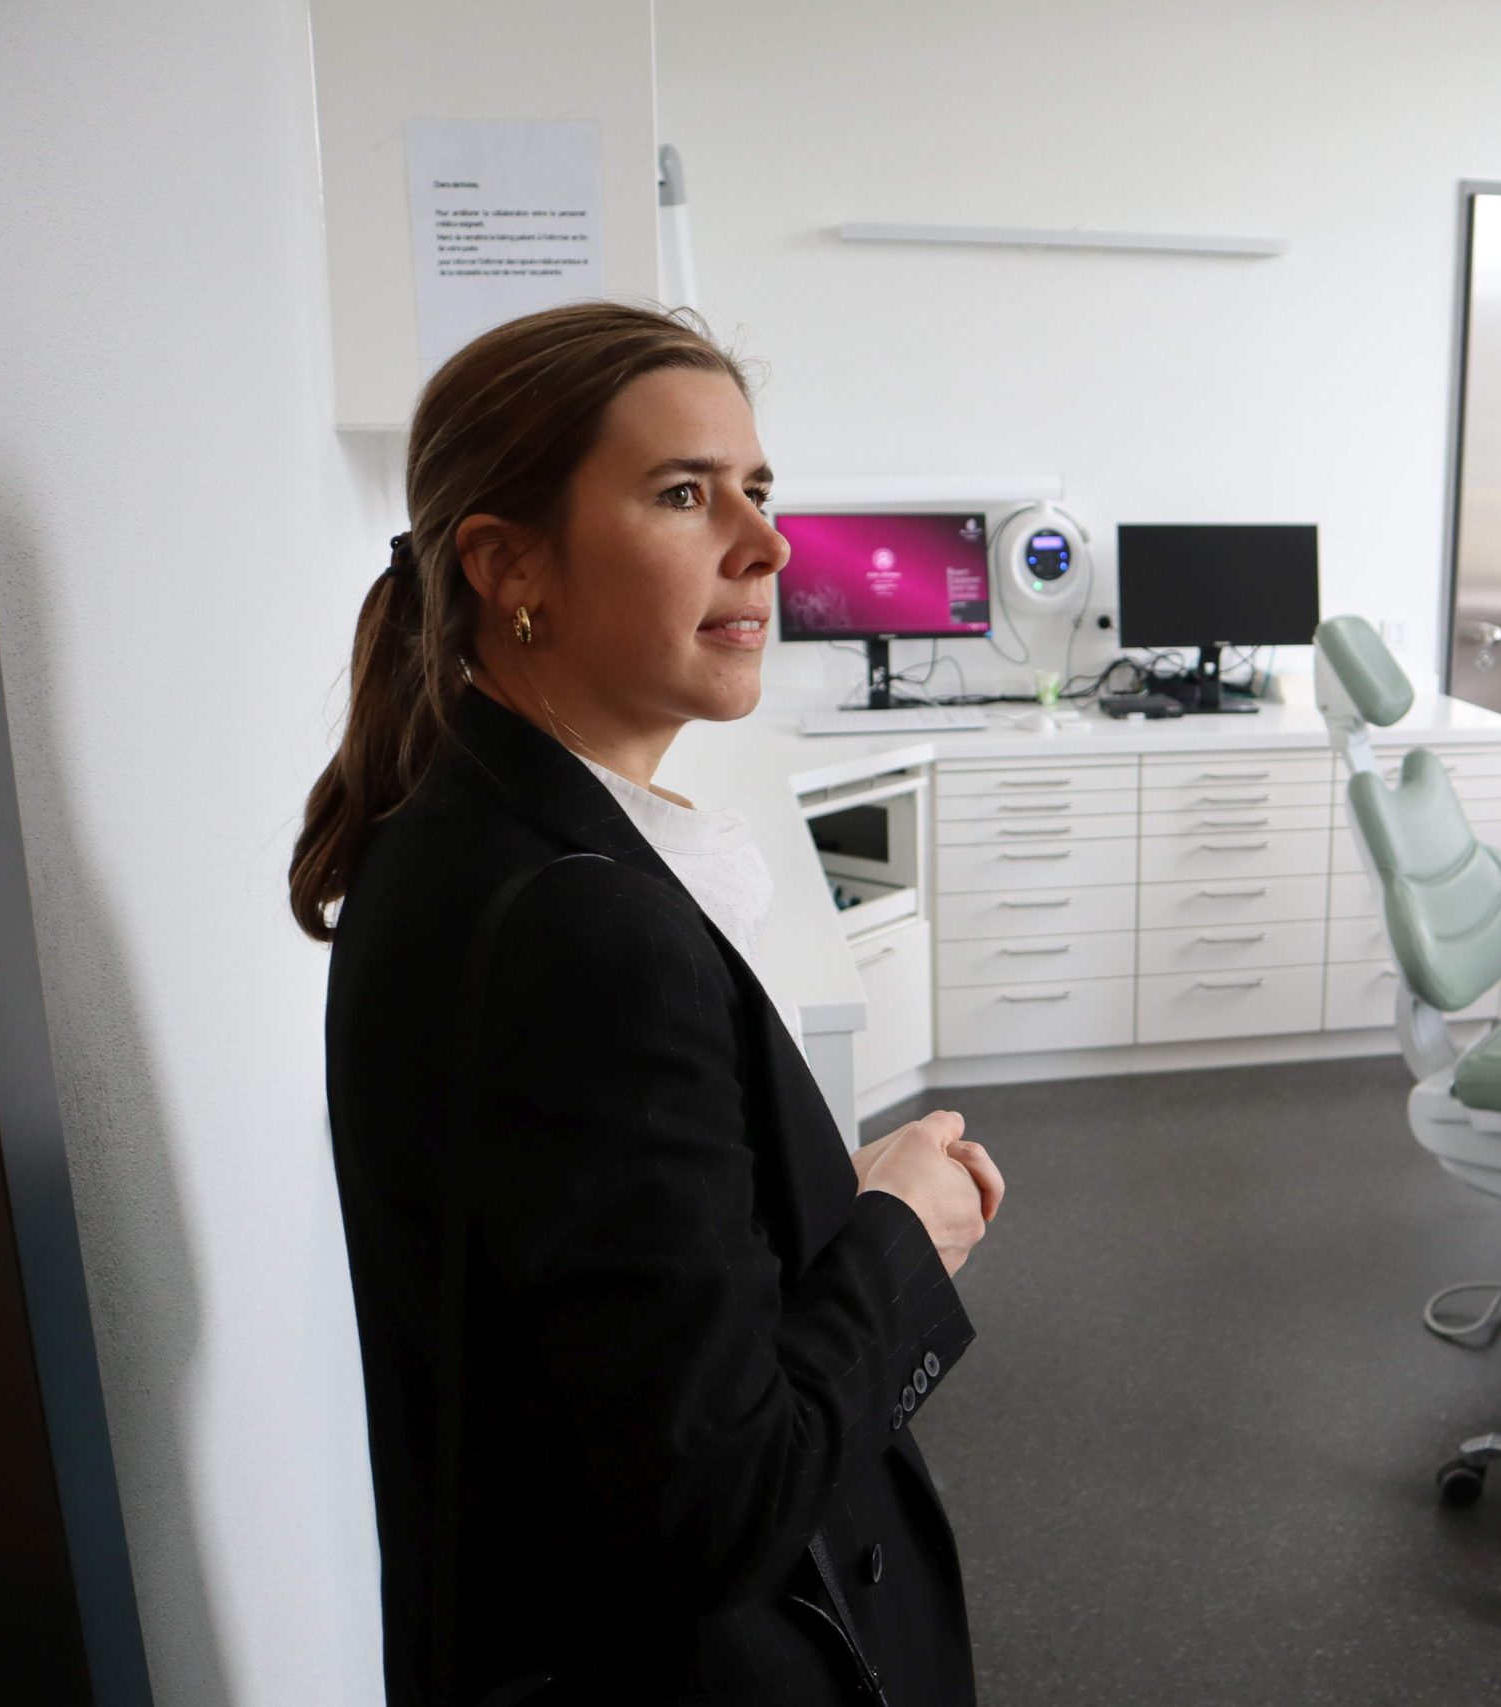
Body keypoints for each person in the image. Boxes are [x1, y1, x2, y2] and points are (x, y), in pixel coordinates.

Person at [289, 302, 1001, 1705]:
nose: (768, 543)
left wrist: (809, 1210)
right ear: (509, 565)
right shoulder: (586, 930)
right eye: (685, 493)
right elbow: (719, 1505)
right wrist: (900, 1235)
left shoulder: (465, 835)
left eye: (759, 488)